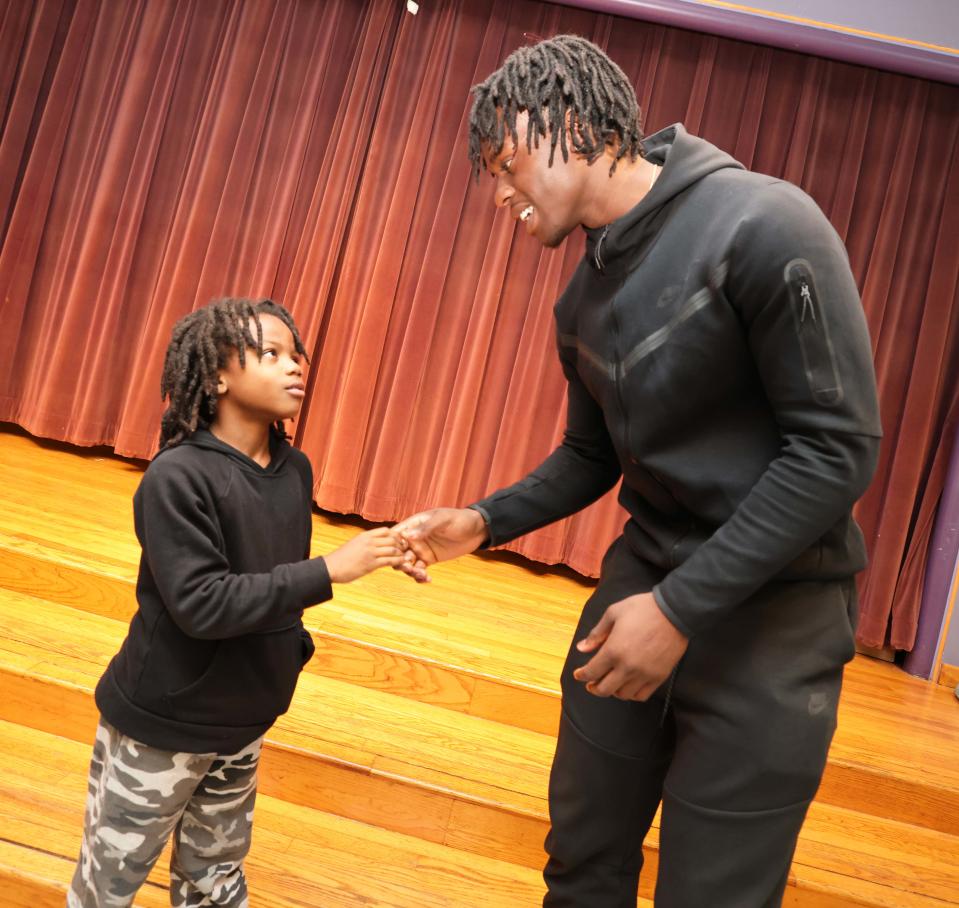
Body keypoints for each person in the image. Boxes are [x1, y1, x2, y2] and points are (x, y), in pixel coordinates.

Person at [396, 35, 881, 908]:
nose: (495, 192)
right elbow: (592, 456)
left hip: (776, 618)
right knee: (581, 866)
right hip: (639, 592)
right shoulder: (580, 298)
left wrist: (679, 609)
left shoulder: (764, 225)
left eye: (503, 163)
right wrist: (484, 520)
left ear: (571, 127)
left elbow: (835, 450)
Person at [69, 298, 409, 907]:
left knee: (216, 880)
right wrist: (331, 569)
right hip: (163, 726)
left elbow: (273, 583)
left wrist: (292, 648)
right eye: (270, 354)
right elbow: (202, 604)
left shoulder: (293, 469)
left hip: (242, 721)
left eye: (295, 354)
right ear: (219, 376)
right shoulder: (177, 477)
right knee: (109, 884)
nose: (295, 366)